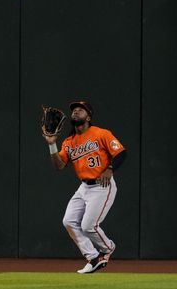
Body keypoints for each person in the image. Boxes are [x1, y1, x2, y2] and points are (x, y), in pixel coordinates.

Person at [42, 100, 126, 274]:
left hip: (102, 186)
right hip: (84, 187)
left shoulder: (101, 133)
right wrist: (52, 144)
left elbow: (121, 153)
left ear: (88, 116)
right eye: (74, 110)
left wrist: (110, 169)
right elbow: (59, 165)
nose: (75, 112)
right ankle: (93, 257)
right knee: (69, 221)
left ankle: (108, 247)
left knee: (88, 225)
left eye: (80, 110)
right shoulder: (69, 141)